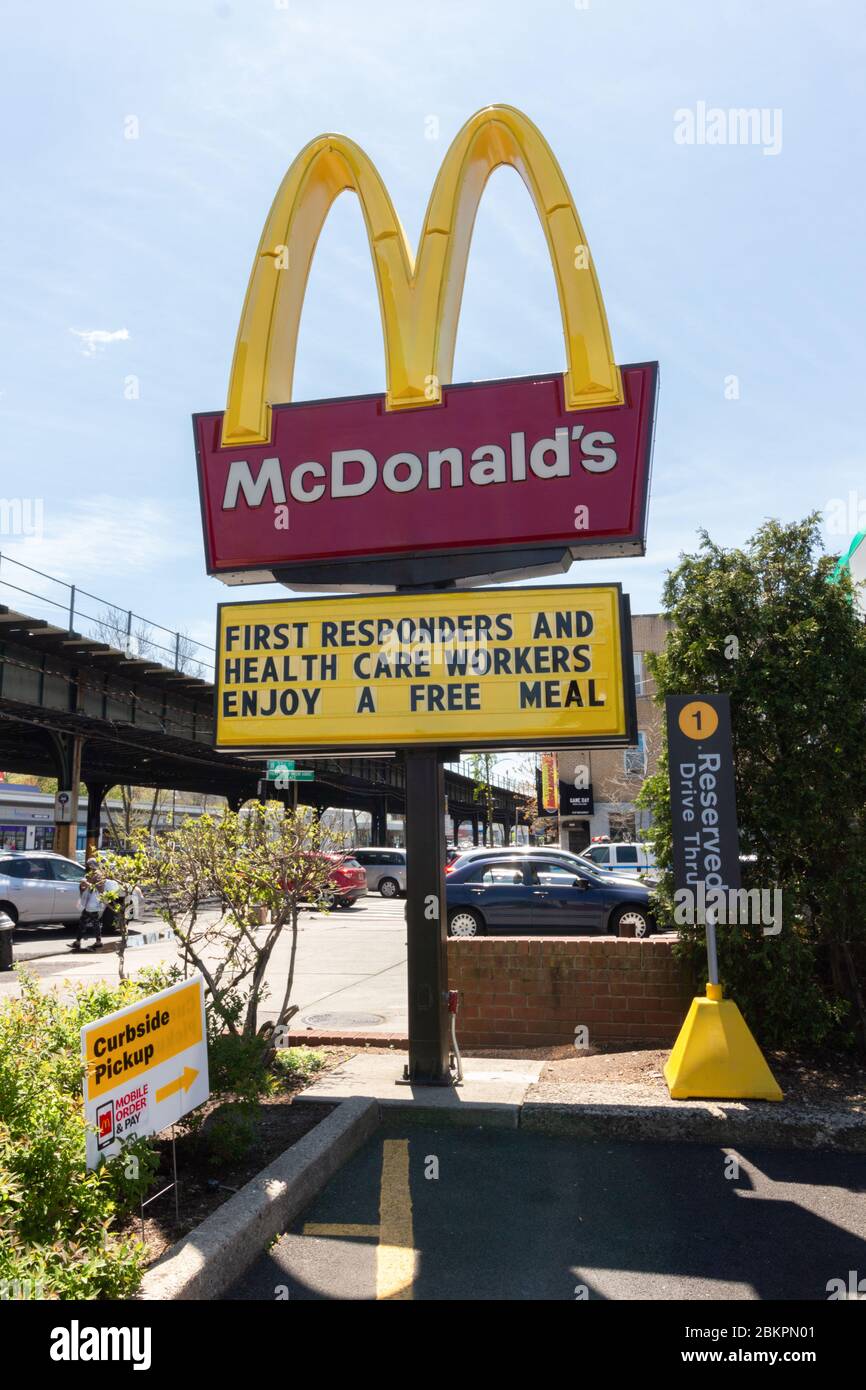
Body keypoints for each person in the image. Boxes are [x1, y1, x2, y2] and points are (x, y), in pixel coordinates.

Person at [71, 858, 105, 951]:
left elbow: (99, 888)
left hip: (94, 902)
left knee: (88, 921)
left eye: (89, 865)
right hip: (89, 902)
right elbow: (84, 887)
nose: (87, 866)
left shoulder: (98, 875)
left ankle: (79, 942)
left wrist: (87, 884)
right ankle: (94, 941)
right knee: (91, 921)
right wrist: (83, 885)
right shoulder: (90, 874)